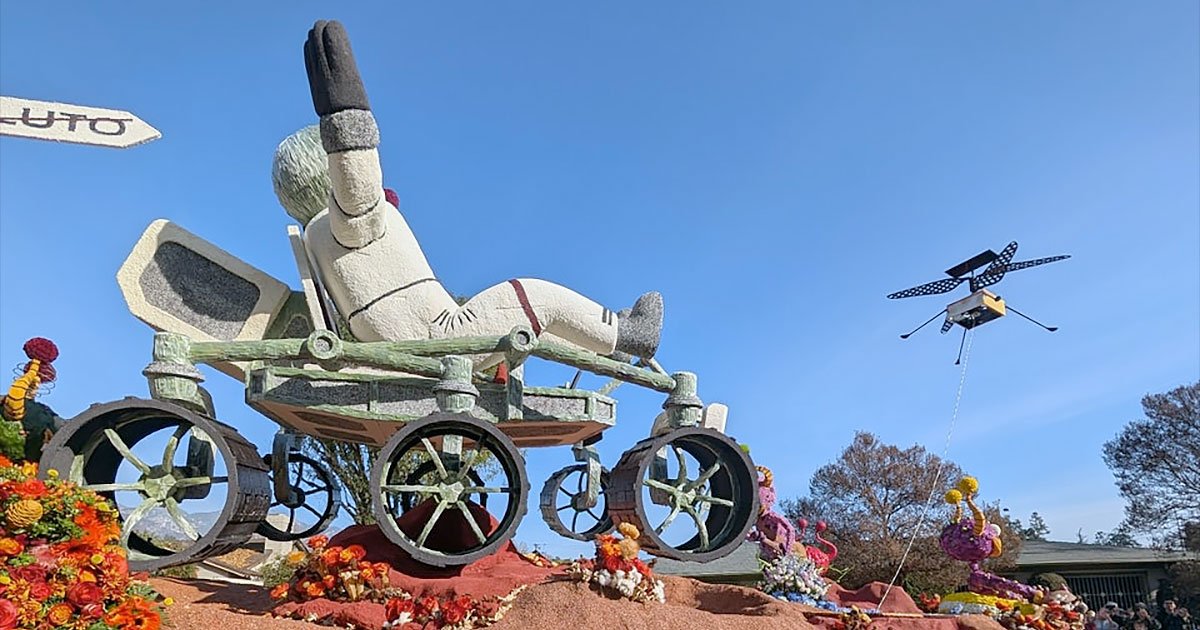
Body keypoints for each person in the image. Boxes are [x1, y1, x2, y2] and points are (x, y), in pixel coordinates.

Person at [272, 21, 663, 366]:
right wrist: (345, 111)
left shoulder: (323, 235)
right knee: (533, 295)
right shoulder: (346, 221)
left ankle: (607, 342)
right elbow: (355, 178)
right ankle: (630, 336)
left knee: (532, 315)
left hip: (423, 338)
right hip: (440, 339)